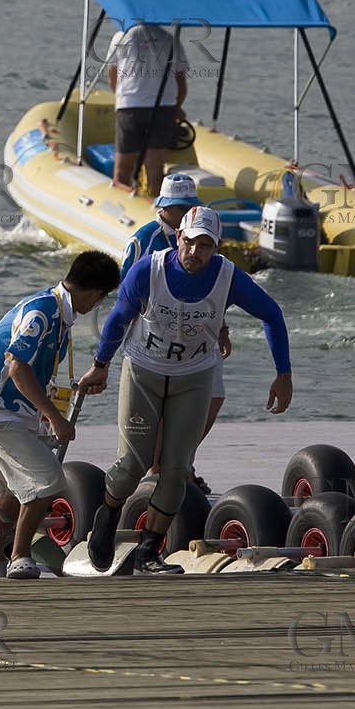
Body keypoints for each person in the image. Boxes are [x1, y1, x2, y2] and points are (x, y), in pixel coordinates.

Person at [78, 206, 292, 575]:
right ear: (178, 237)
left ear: (216, 247)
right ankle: (108, 516)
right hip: (143, 371)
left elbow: (272, 314)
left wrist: (283, 373)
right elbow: (118, 318)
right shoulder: (149, 270)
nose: (195, 253)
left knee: (177, 470)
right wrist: (100, 364)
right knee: (133, 464)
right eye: (190, 243)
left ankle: (148, 551)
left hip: (193, 377)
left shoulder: (228, 277)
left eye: (205, 246)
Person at [0, 250, 119, 580]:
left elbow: (39, 371)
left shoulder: (59, 312)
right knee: (47, 481)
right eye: (102, 299)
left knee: (14, 484)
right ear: (94, 292)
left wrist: (74, 390)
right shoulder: (42, 314)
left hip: (17, 409)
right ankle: (19, 555)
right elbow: (17, 368)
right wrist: (55, 417)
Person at [120, 172, 230, 491]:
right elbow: (127, 290)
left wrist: (222, 326)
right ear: (163, 207)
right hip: (154, 334)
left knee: (215, 395)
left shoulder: (200, 233)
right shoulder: (143, 239)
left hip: (199, 332)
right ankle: (161, 468)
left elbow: (215, 288)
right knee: (163, 405)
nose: (184, 212)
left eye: (188, 205)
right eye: (178, 206)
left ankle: (178, 459)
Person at [106, 21, 188, 196]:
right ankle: (158, 209)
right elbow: (180, 82)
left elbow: (113, 75)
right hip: (162, 107)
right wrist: (177, 107)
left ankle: (121, 204)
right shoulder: (170, 40)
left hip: (130, 106)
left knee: (123, 169)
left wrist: (120, 98)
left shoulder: (121, 37)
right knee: (155, 168)